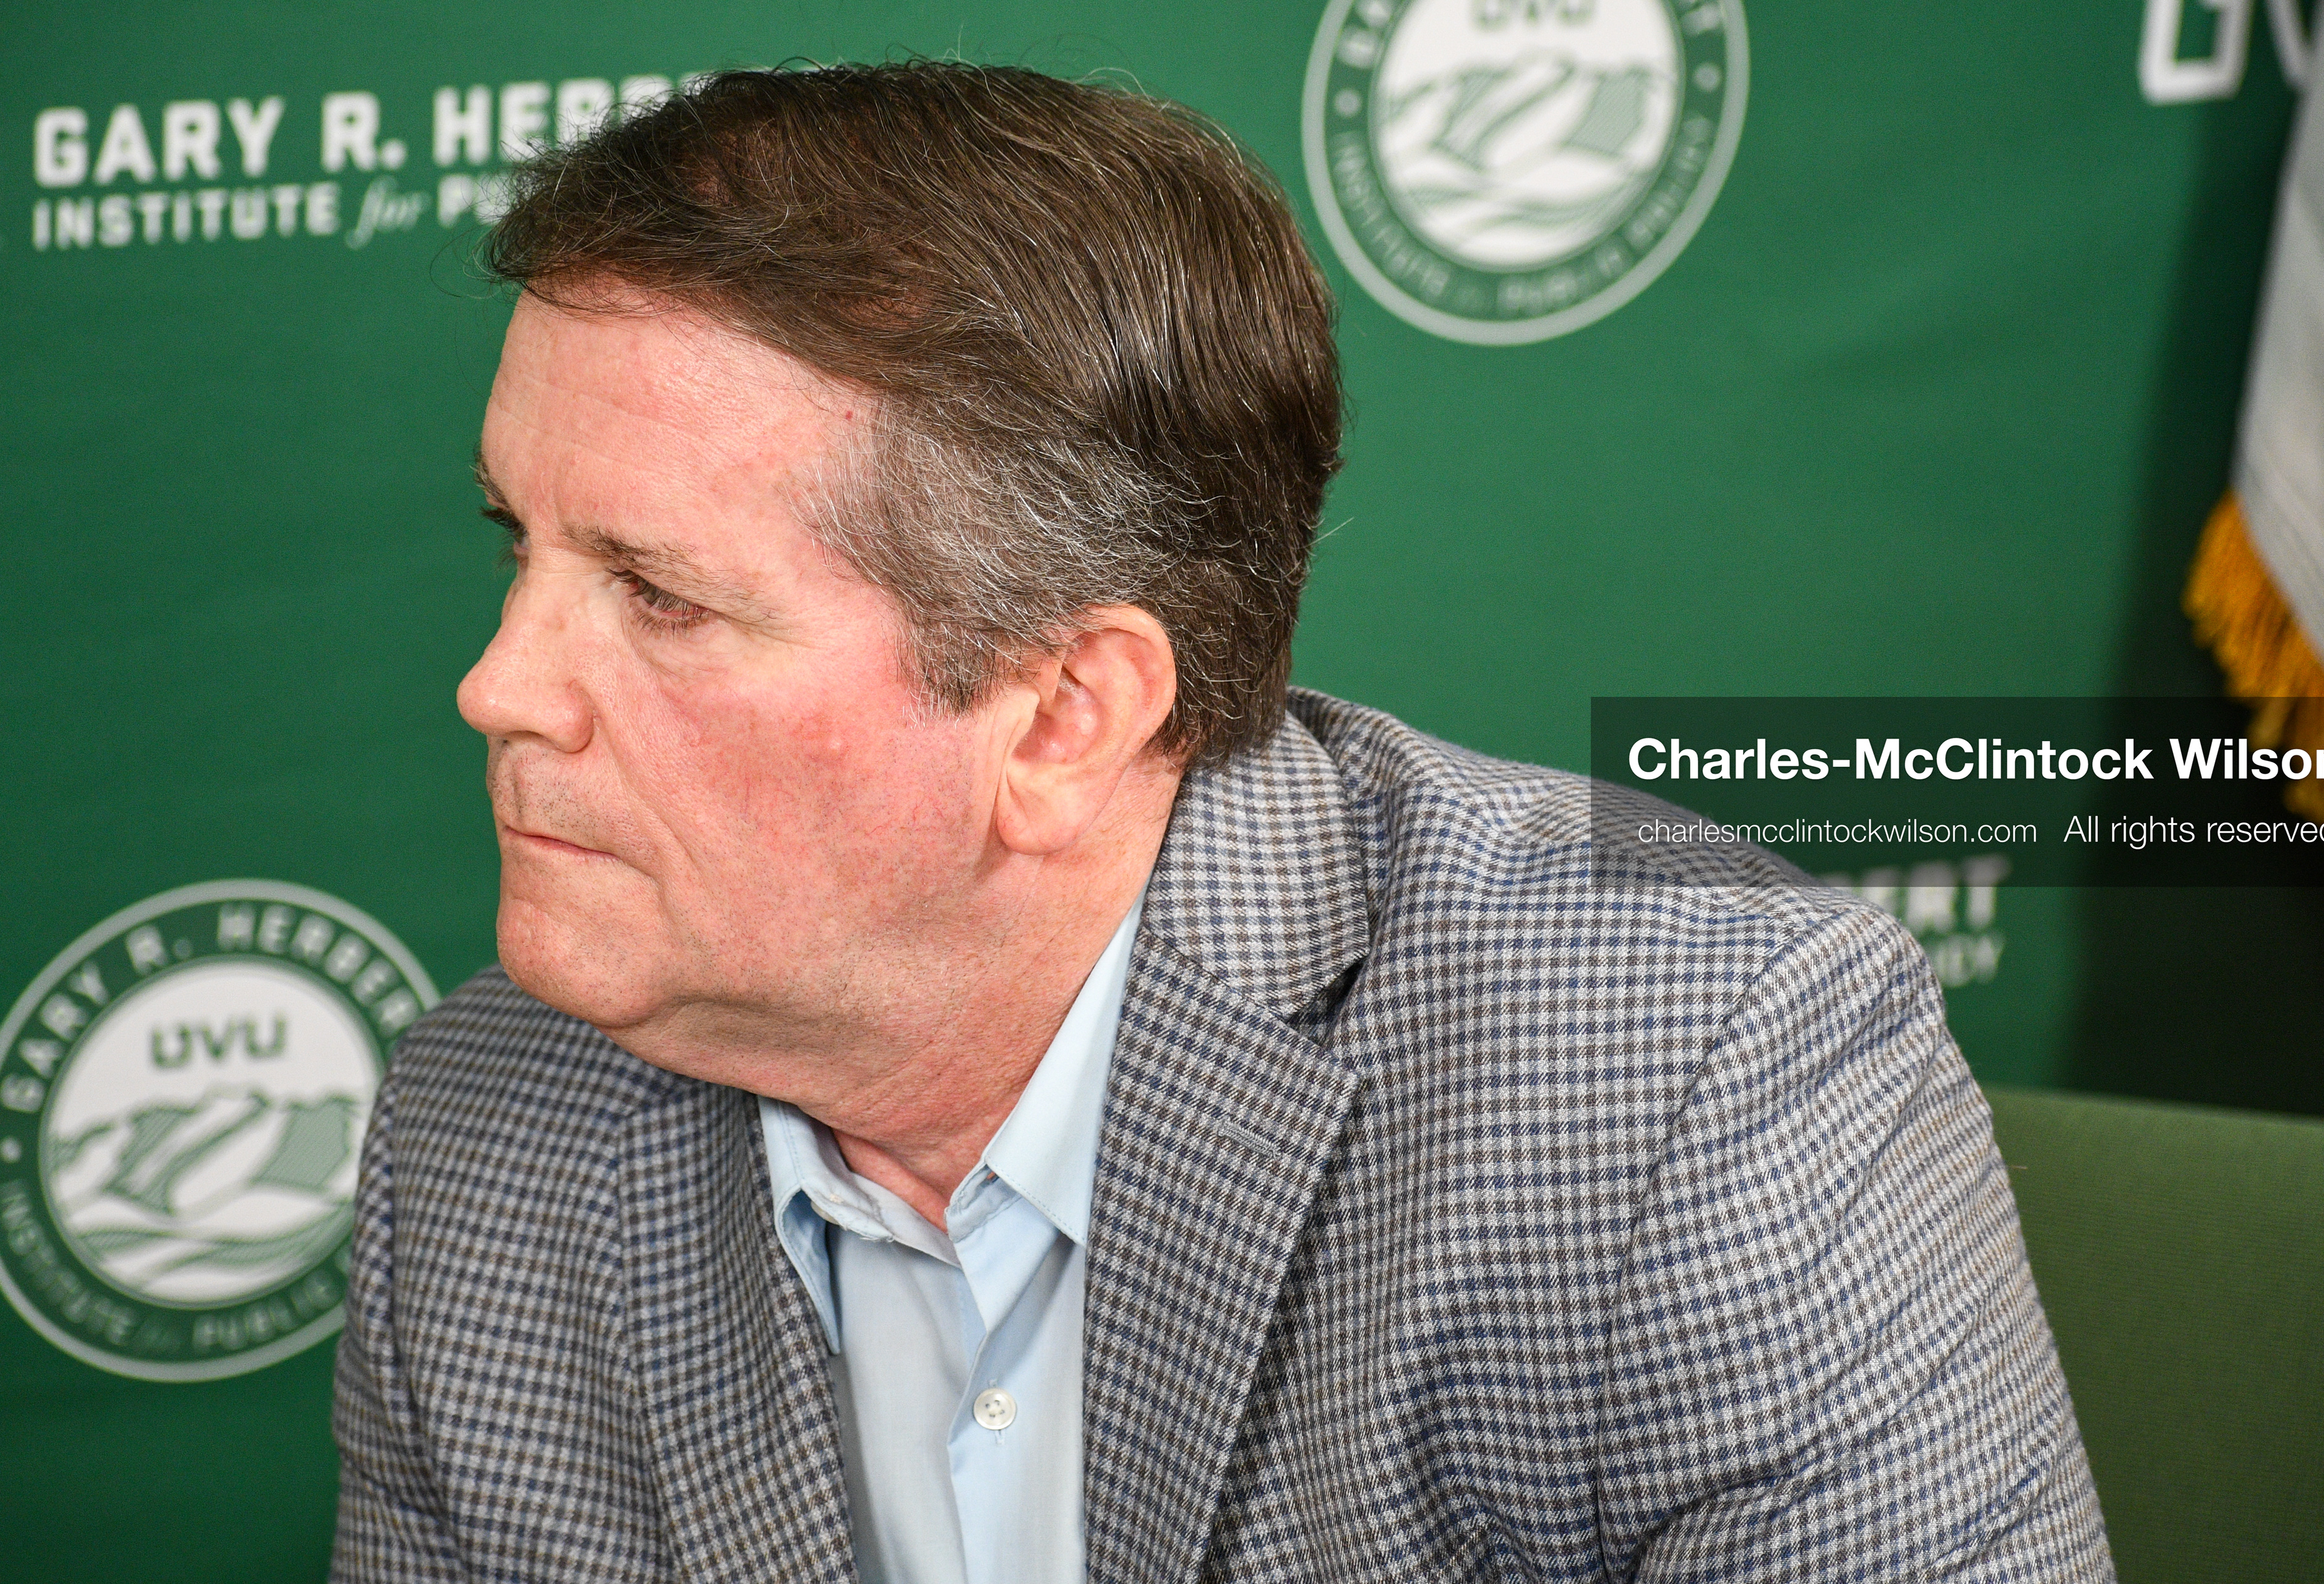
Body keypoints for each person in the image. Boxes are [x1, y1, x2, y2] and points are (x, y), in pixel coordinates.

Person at [331, 62, 2112, 1583]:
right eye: (522, 545)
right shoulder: (489, 1142)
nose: (502, 685)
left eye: (655, 594)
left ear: (1062, 715)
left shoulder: (1686, 1083)